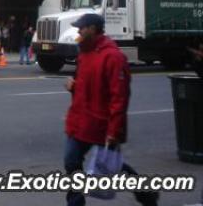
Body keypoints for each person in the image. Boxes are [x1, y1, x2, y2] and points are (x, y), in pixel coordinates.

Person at [64, 13, 159, 206]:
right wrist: (73, 87)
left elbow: (119, 97)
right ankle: (75, 203)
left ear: (92, 29)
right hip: (79, 121)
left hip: (102, 124)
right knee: (71, 162)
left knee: (112, 166)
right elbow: (86, 87)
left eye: (82, 27)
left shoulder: (113, 57)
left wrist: (114, 131)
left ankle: (146, 194)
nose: (78, 31)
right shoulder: (84, 52)